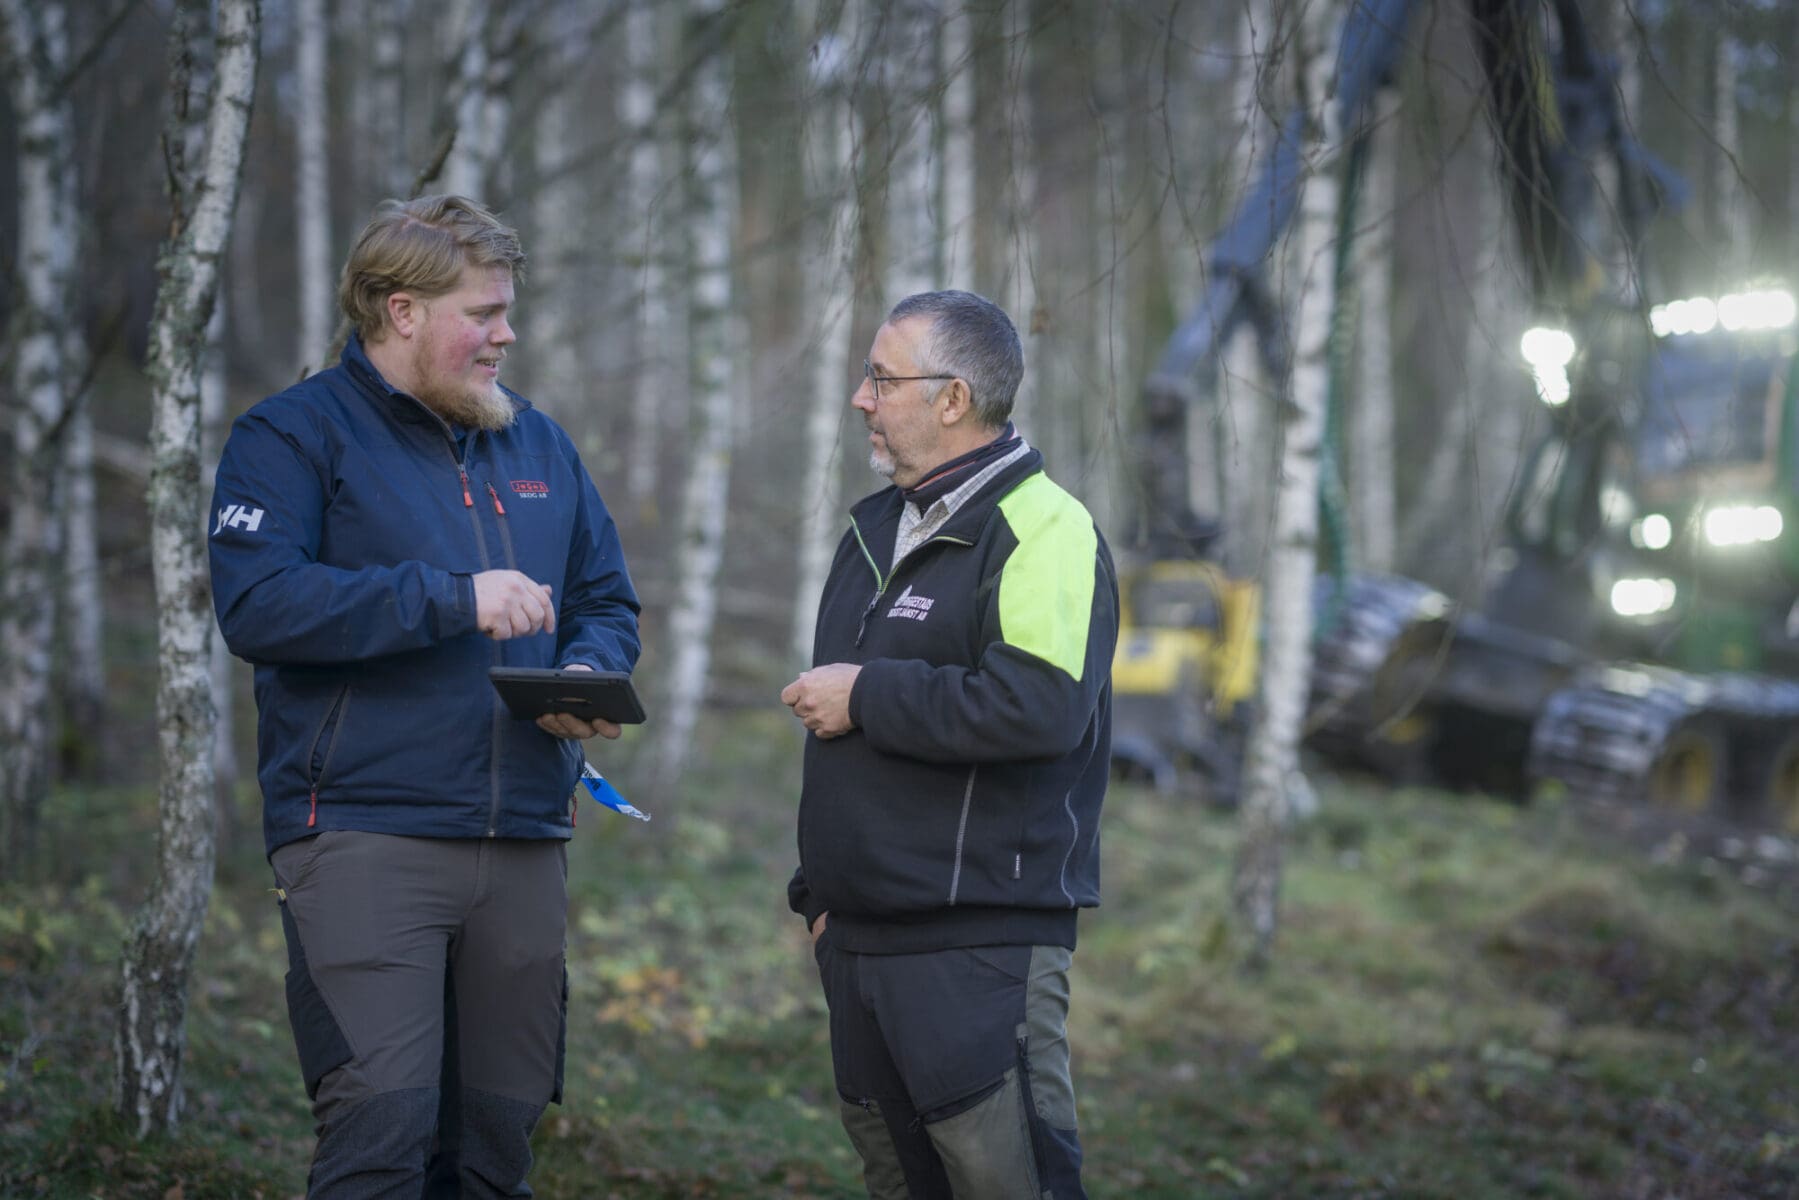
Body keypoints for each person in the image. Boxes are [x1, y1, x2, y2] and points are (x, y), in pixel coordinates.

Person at [208, 194, 640, 1197]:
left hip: (524, 838)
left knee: (495, 1146)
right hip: (365, 834)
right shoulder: (292, 435)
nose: (506, 333)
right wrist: (451, 598)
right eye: (482, 313)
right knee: (381, 1133)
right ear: (400, 311)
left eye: (507, 310)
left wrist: (584, 670)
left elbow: (605, 601)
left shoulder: (538, 443)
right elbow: (260, 605)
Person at [781, 290, 1118, 1199]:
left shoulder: (1045, 528)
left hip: (978, 950)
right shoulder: (870, 527)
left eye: (881, 378)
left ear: (953, 399)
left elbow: (1039, 708)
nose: (861, 397)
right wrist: (821, 902)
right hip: (858, 944)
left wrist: (868, 695)